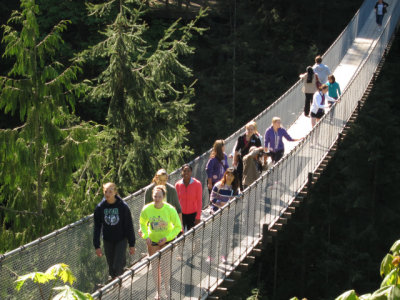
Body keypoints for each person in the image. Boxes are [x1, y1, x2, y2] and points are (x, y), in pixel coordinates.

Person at [140, 185, 182, 300]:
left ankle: (167, 289)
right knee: (155, 266)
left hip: (166, 242)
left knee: (165, 267)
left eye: (159, 196)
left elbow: (178, 227)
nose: (157, 198)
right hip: (152, 241)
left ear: (163, 197)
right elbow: (142, 223)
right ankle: (158, 292)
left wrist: (167, 238)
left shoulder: (170, 209)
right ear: (152, 196)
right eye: (155, 196)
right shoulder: (147, 209)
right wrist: (145, 236)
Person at [93, 182, 136, 280]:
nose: (107, 194)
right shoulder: (100, 208)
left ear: (115, 192)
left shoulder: (123, 207)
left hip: (121, 239)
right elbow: (97, 227)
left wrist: (132, 244)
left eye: (110, 192)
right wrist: (97, 245)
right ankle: (115, 283)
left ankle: (118, 285)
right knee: (111, 266)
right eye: (105, 192)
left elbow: (129, 225)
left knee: (117, 265)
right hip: (108, 239)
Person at [233, 121, 262, 189]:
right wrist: (234, 160)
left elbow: (260, 150)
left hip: (252, 160)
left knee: (249, 175)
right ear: (246, 129)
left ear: (254, 130)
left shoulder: (256, 139)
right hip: (242, 159)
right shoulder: (241, 138)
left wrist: (259, 160)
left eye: (251, 129)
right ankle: (241, 188)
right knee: (239, 174)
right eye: (248, 129)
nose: (250, 131)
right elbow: (236, 150)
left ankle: (249, 189)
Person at [175, 164, 203, 231]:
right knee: (180, 234)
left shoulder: (197, 184)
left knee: (193, 236)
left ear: (191, 172)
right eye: (184, 171)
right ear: (182, 172)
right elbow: (176, 201)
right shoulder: (178, 184)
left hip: (193, 214)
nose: (186, 173)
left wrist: (198, 217)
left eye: (188, 171)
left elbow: (199, 201)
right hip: (181, 214)